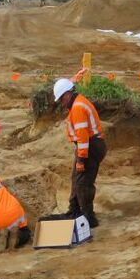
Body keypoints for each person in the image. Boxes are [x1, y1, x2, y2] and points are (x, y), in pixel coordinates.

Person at [52, 77, 106, 228]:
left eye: (61, 99)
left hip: (91, 146)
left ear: (67, 94)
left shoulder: (77, 107)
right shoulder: (78, 103)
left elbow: (83, 136)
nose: (61, 104)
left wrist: (81, 159)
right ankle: (74, 210)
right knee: (76, 178)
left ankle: (88, 217)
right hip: (88, 145)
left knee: (83, 183)